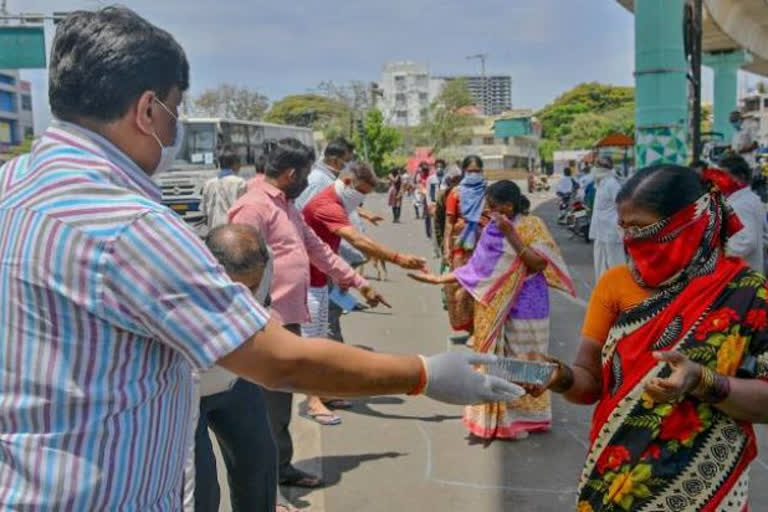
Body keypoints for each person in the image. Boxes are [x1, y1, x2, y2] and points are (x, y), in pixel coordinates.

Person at [535, 164, 768, 511]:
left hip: (706, 487)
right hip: (618, 479)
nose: (630, 240)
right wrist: (558, 377)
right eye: (624, 227)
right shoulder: (616, 284)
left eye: (642, 228)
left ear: (689, 221)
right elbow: (589, 384)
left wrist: (702, 381)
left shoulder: (747, 294)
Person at [409, 181, 574, 440]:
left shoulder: (532, 225)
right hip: (494, 304)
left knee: (525, 362)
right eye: (487, 210)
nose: (489, 214)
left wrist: (512, 235)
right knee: (498, 363)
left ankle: (527, 417)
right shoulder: (492, 228)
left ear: (509, 206)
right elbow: (479, 268)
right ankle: (504, 420)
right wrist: (440, 279)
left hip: (528, 304)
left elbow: (539, 264)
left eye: (493, 208)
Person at [301, 162, 427, 424]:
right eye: (360, 192)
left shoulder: (340, 200)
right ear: (347, 182)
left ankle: (324, 391)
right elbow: (357, 240)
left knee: (321, 338)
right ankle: (313, 400)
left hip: (322, 278)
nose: (360, 198)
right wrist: (398, 258)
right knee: (311, 344)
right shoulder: (327, 204)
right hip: (306, 281)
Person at [188, 224, 289, 512]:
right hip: (189, 391)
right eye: (238, 288)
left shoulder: (263, 264)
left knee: (259, 462)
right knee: (202, 490)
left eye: (254, 285)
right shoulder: (181, 277)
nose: (247, 297)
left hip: (237, 381)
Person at [443, 155, 487, 333]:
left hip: (485, 244)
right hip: (461, 245)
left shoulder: (488, 192)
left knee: (482, 285)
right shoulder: (455, 193)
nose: (474, 174)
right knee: (460, 286)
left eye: (477, 171)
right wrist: (446, 248)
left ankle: (481, 327)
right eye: (470, 171)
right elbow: (449, 223)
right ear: (464, 172)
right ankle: (469, 328)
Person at [709, 154, 765, 272]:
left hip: (741, 274)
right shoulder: (750, 198)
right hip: (749, 271)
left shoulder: (740, 205)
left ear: (740, 177)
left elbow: (746, 242)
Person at [589, 156, 626, 280]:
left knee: (616, 263)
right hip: (599, 231)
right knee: (600, 264)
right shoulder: (599, 183)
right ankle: (603, 290)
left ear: (601, 169)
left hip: (611, 232)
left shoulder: (612, 183)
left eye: (596, 166)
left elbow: (621, 206)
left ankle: (620, 290)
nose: (593, 169)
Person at [200, 147, 247, 232]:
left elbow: (204, 211)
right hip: (232, 231)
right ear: (236, 164)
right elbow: (244, 212)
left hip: (213, 231)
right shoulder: (240, 183)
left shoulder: (209, 184)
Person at [426, 159, 446, 254]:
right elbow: (428, 194)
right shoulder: (430, 179)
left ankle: (444, 247)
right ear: (435, 167)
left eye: (441, 167)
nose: (439, 168)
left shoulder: (447, 178)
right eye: (437, 166)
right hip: (434, 205)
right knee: (434, 229)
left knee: (444, 227)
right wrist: (430, 205)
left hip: (445, 206)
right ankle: (436, 249)